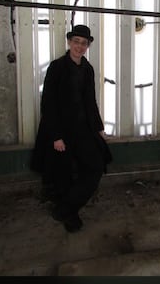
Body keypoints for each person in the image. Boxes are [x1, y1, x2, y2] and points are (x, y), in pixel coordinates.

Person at [30, 24, 112, 233]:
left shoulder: (88, 69)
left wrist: (99, 129)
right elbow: (48, 103)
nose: (80, 46)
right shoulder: (56, 67)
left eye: (84, 43)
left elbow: (90, 101)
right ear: (69, 42)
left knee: (95, 166)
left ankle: (65, 208)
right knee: (64, 173)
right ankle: (69, 213)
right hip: (61, 131)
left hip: (83, 129)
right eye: (76, 42)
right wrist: (56, 136)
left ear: (87, 46)